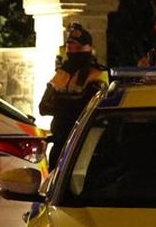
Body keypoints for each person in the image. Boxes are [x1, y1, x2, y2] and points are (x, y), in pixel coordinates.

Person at [38, 23, 109, 169]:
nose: (72, 51)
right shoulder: (62, 73)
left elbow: (85, 108)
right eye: (70, 47)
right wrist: (69, 103)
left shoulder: (97, 73)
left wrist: (59, 102)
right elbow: (43, 107)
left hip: (83, 143)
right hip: (59, 141)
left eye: (78, 47)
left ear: (89, 48)